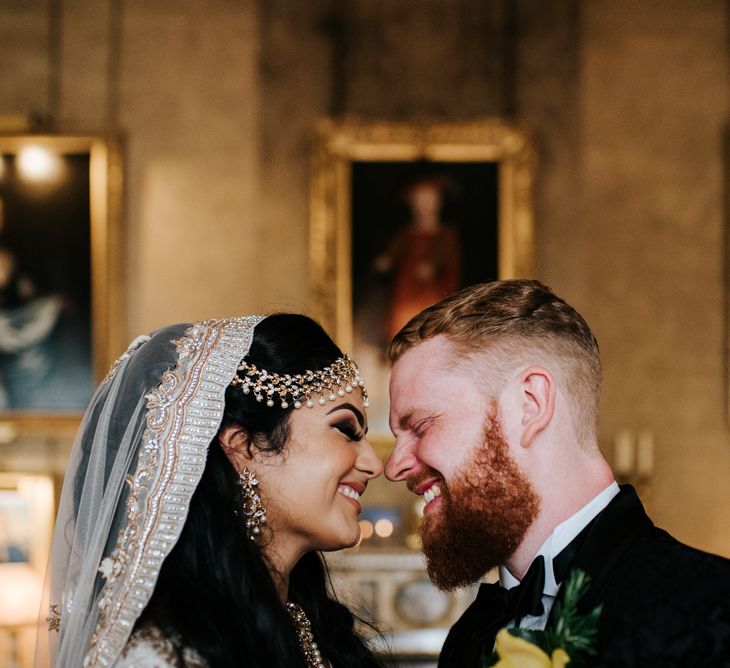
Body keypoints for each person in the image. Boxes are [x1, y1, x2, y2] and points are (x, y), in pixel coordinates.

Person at [384, 279, 730, 667]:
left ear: (530, 405)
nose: (393, 466)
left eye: (421, 425)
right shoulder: (467, 640)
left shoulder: (711, 604)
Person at [39, 314, 386, 668]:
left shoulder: (312, 627)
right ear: (243, 447)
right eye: (345, 429)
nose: (375, 464)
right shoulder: (162, 655)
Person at [374, 176, 461, 342]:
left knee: (431, 320)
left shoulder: (446, 233)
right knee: (402, 319)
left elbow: (444, 253)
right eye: (420, 200)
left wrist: (431, 264)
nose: (424, 205)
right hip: (407, 286)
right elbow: (395, 251)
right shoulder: (407, 233)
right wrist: (387, 260)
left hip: (431, 287)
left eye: (429, 200)